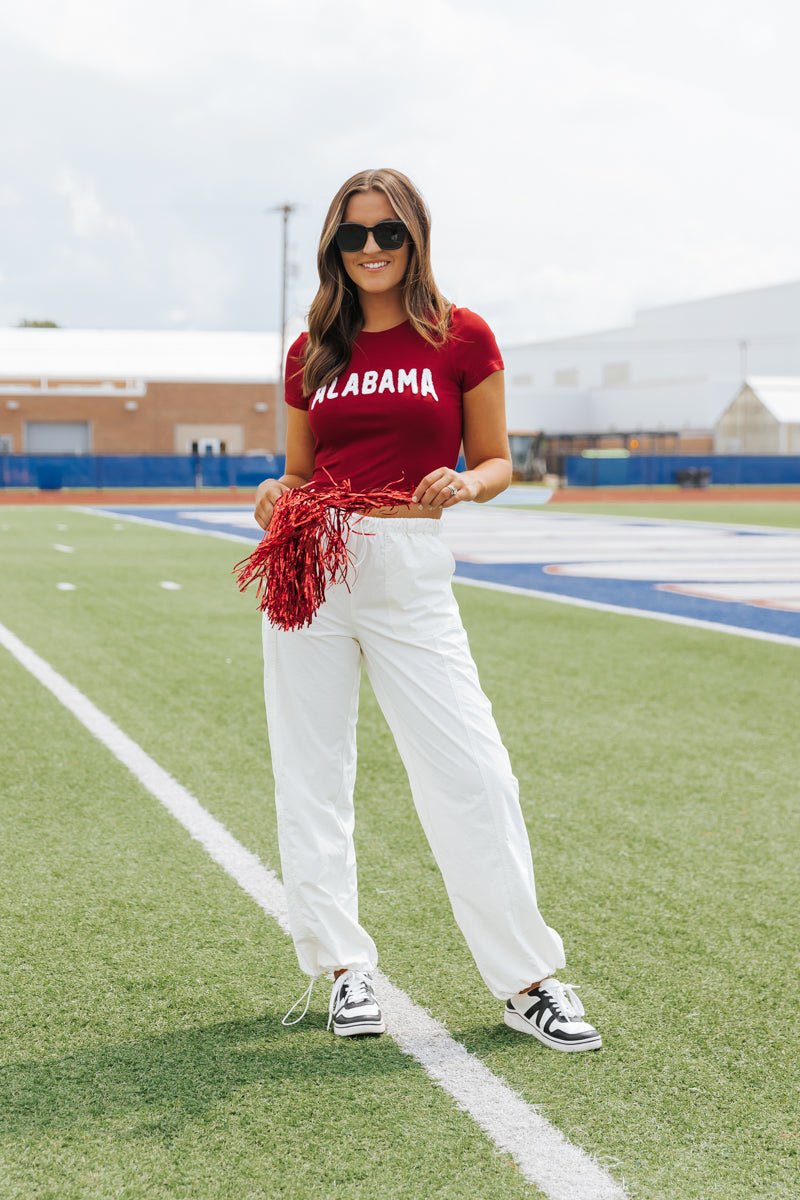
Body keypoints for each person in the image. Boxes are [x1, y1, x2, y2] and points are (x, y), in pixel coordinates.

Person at [253, 167, 601, 1052]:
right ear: (334, 246)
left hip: (409, 565)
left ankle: (529, 979)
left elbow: (496, 462)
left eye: (388, 233)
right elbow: (297, 472)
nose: (370, 250)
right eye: (353, 236)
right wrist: (274, 491)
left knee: (473, 774)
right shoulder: (310, 349)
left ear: (417, 237)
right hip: (312, 560)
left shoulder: (460, 334)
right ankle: (343, 971)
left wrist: (465, 485)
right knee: (313, 773)